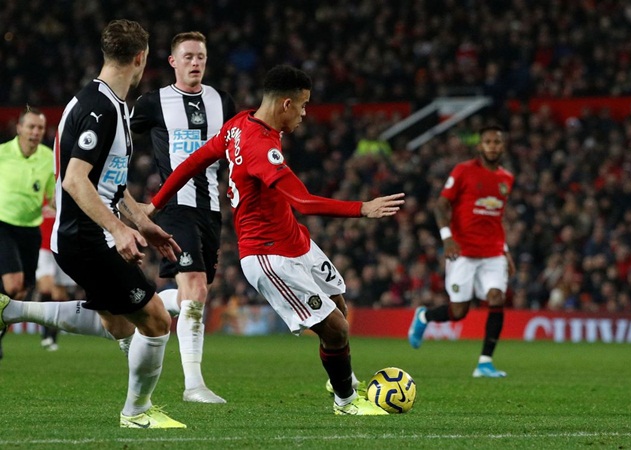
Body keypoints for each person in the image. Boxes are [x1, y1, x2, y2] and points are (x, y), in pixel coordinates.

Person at [146, 64, 405, 415]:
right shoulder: (260, 146)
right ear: (286, 104)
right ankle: (346, 402)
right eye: (303, 105)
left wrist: (155, 203)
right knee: (337, 329)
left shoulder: (239, 124)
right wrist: (363, 208)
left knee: (338, 306)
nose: (304, 113)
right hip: (269, 255)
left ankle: (338, 378)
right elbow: (303, 201)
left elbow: (193, 162)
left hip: (296, 240)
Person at [0, 19, 185, 429]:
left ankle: (10, 310)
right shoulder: (99, 109)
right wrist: (118, 229)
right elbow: (75, 180)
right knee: (156, 320)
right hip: (86, 237)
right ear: (141, 59)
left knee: (116, 323)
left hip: (83, 235)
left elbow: (111, 185)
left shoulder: (110, 104)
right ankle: (136, 412)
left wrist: (141, 222)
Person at [130, 31, 236, 404]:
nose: (195, 62)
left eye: (200, 57)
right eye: (188, 56)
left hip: (211, 211)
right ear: (173, 62)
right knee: (195, 288)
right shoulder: (153, 102)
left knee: (195, 295)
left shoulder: (222, 101)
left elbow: (237, 148)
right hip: (174, 206)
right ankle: (194, 385)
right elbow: (121, 135)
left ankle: (142, 305)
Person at [408, 125, 515, 378]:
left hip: (493, 252)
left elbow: (496, 218)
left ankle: (485, 363)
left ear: (503, 146)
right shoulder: (463, 171)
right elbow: (440, 205)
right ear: (480, 146)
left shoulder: (506, 178)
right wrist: (447, 238)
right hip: (463, 251)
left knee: (497, 297)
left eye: (497, 142)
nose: (492, 146)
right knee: (458, 312)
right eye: (488, 141)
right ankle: (424, 316)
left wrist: (506, 250)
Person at [0, 106, 55, 359]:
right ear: (19, 128)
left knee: (22, 292)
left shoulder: (48, 157)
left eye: (40, 128)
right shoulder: (2, 153)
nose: (35, 132)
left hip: (31, 228)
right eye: (31, 126)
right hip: (3, 224)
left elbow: (52, 197)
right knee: (13, 284)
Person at [35, 202, 80, 351]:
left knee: (60, 296)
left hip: (62, 248)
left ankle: (52, 337)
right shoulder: (40, 196)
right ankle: (45, 334)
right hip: (43, 249)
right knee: (46, 288)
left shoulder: (66, 196)